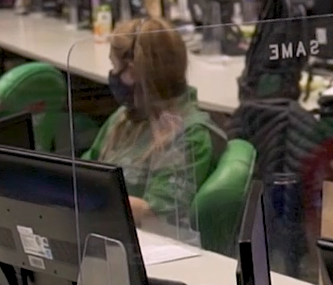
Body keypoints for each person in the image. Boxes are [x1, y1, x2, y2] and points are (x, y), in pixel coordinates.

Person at [85, 16, 227, 228]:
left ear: (134, 72)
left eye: (115, 66)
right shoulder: (125, 118)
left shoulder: (189, 134)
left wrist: (85, 199)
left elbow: (158, 215)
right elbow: (86, 167)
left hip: (148, 246)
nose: (113, 75)